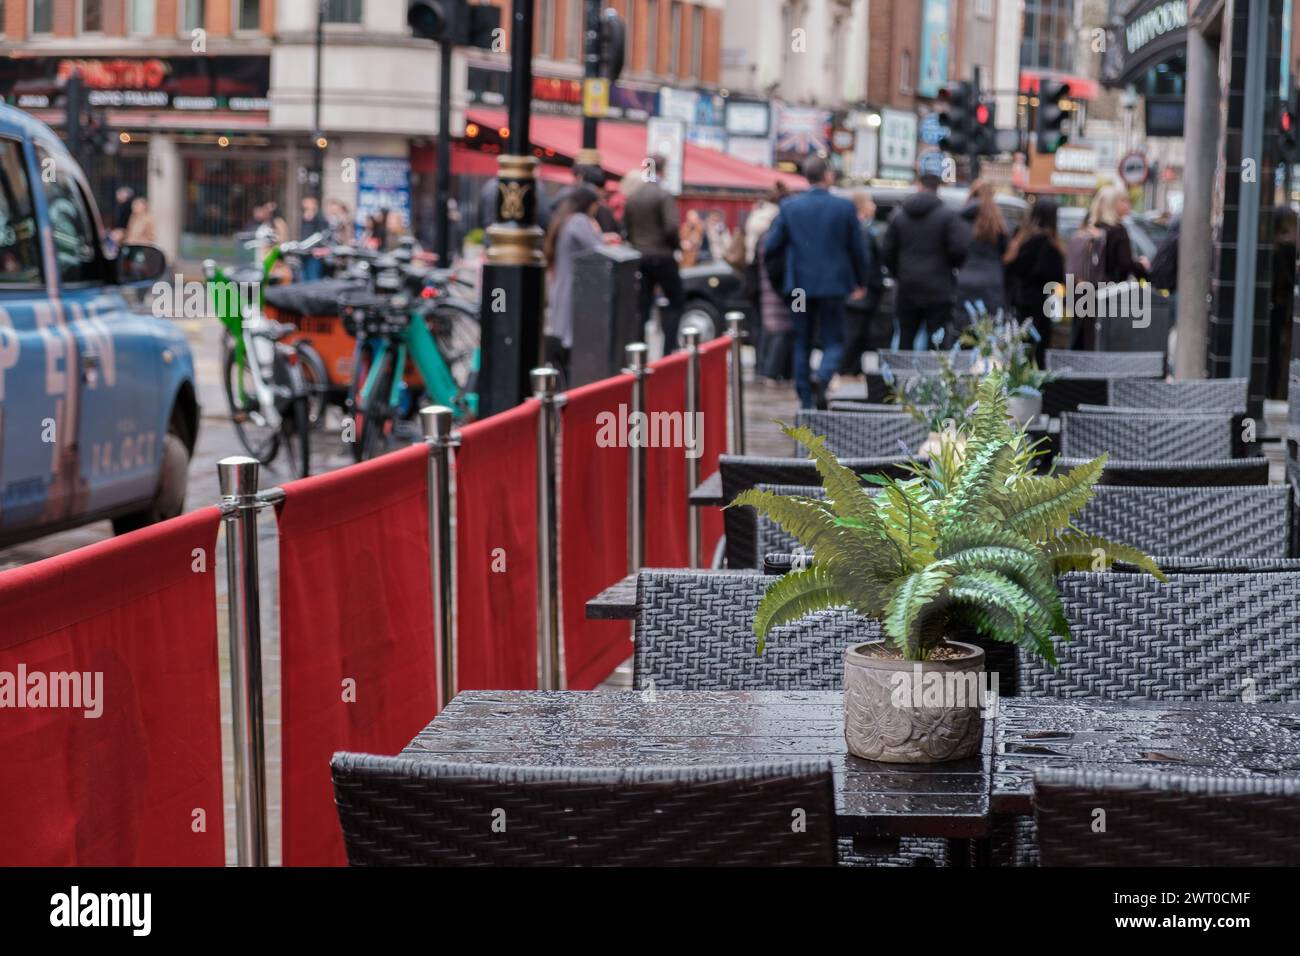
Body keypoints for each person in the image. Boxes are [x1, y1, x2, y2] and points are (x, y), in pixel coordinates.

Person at [763, 154, 869, 409]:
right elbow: (859, 250)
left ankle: (806, 397)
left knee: (802, 340)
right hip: (833, 287)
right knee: (834, 339)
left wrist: (780, 283)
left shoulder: (790, 207)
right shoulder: (843, 208)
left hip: (799, 288)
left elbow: (771, 248)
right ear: (828, 175)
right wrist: (860, 281)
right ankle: (821, 377)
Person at [880, 172, 966, 351]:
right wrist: (948, 269)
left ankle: (903, 378)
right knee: (937, 340)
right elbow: (959, 250)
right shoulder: (947, 216)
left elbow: (887, 250)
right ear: (937, 188)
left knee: (905, 336)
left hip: (906, 287)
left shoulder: (899, 216)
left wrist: (899, 272)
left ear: (918, 186)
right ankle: (933, 378)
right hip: (939, 288)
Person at [1067, 184, 1149, 349]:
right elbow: (1125, 264)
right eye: (1124, 200)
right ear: (1113, 204)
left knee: (1083, 341)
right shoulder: (1118, 232)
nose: (1128, 204)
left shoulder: (1090, 228)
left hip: (1084, 292)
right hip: (1110, 295)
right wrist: (1141, 265)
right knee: (1105, 344)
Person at [623, 153, 686, 351]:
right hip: (663, 255)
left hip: (640, 256)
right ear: (663, 170)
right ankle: (669, 350)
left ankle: (639, 350)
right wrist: (676, 246)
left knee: (642, 307)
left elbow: (626, 227)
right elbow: (671, 227)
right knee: (676, 302)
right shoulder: (663, 195)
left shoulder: (633, 197)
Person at [543, 185, 607, 377]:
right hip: (572, 288)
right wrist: (598, 230)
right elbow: (598, 248)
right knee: (569, 338)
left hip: (561, 285)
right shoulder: (579, 221)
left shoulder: (564, 219)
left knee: (562, 332)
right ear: (589, 205)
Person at [1004, 198, 1067, 365]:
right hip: (1040, 305)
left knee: (1018, 351)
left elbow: (1008, 268)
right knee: (1037, 354)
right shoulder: (1050, 245)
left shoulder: (1021, 239)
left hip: (1017, 302)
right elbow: (1057, 277)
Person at [838, 191, 886, 381]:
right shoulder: (861, 230)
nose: (874, 206)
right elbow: (863, 261)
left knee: (857, 333)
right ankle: (846, 370)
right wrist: (861, 285)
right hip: (860, 292)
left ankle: (853, 369)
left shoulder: (856, 228)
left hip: (856, 290)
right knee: (855, 334)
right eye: (871, 202)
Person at [954, 179, 1009, 326]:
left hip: (965, 278)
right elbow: (1005, 252)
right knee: (989, 330)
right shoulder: (998, 224)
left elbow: (954, 250)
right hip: (993, 281)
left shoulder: (959, 219)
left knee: (964, 331)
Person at [299, 196, 328, 279]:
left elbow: (321, 235)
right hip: (304, 252)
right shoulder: (304, 217)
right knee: (304, 276)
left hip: (315, 253)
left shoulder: (319, 217)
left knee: (313, 277)